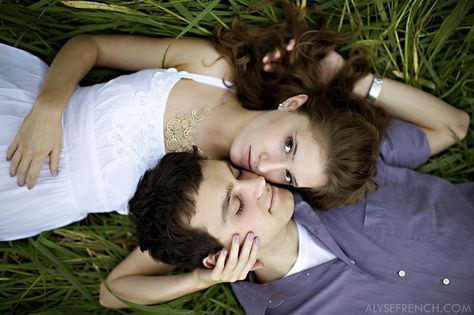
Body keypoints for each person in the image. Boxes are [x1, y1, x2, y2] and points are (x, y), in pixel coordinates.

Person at [0, 1, 467, 240]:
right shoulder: (209, 71)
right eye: (288, 145)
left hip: (31, 193)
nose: (264, 166)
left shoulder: (221, 203)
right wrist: (351, 79)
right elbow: (92, 47)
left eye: (286, 176)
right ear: (292, 105)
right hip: (28, 107)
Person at [100, 114, 473, 313]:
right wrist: (200, 280)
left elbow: (451, 125)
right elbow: (113, 292)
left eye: (237, 173)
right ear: (218, 257)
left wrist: (352, 76)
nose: (258, 184)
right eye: (237, 205)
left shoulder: (326, 174)